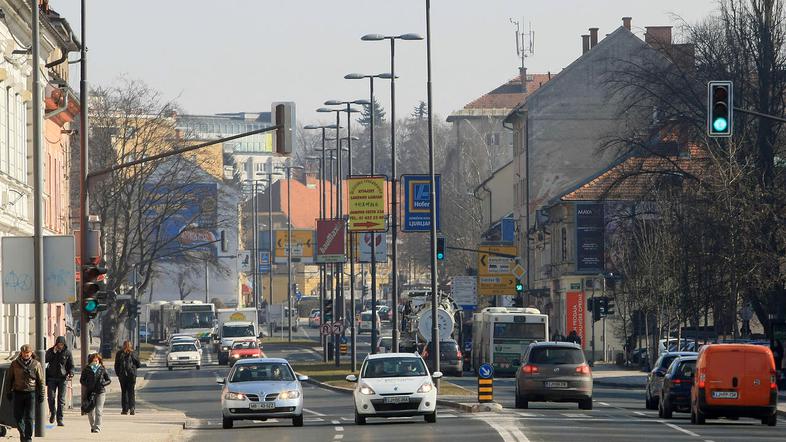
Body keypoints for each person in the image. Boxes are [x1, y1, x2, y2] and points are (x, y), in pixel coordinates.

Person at [7, 344, 44, 442]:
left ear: (31, 353)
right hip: (18, 392)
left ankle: (28, 438)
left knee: (29, 417)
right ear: (21, 353)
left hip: (30, 393)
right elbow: (10, 379)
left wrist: (42, 394)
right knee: (17, 416)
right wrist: (9, 391)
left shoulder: (36, 364)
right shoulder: (14, 364)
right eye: (24, 353)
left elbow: (41, 381)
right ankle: (23, 433)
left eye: (27, 353)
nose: (26, 355)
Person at [45, 335, 74, 426]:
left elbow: (71, 366)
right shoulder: (50, 351)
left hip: (62, 378)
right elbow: (45, 360)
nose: (60, 346)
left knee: (61, 400)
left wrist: (71, 373)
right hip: (51, 378)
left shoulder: (67, 353)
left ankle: (60, 418)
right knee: (51, 397)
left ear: (64, 344)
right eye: (58, 344)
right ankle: (53, 412)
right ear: (56, 344)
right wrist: (53, 352)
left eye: (61, 344)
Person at [80, 353, 111, 433]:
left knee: (98, 410)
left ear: (99, 360)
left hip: (100, 392)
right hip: (90, 392)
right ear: (91, 360)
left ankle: (97, 427)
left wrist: (103, 384)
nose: (95, 360)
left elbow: (108, 380)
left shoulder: (102, 368)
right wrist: (88, 384)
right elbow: (82, 380)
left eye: (97, 359)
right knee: (90, 412)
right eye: (94, 359)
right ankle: (93, 426)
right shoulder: (87, 369)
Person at [114, 340, 141, 415]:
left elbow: (116, 365)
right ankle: (131, 408)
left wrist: (118, 374)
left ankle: (125, 409)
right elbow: (138, 364)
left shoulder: (120, 353)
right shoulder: (133, 353)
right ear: (131, 345)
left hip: (123, 375)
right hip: (131, 375)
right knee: (131, 392)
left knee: (124, 392)